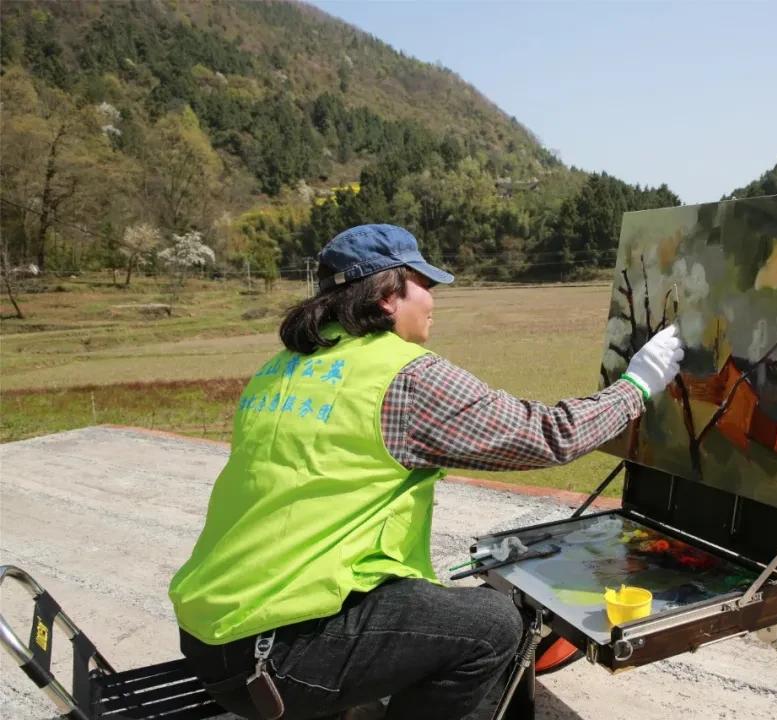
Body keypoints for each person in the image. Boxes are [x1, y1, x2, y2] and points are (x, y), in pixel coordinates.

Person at [170, 224, 684, 720]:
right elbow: (548, 435)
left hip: (212, 634)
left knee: (428, 602)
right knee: (494, 625)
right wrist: (638, 385)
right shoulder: (403, 375)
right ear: (388, 296)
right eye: (425, 284)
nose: (433, 299)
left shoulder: (281, 366)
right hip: (277, 662)